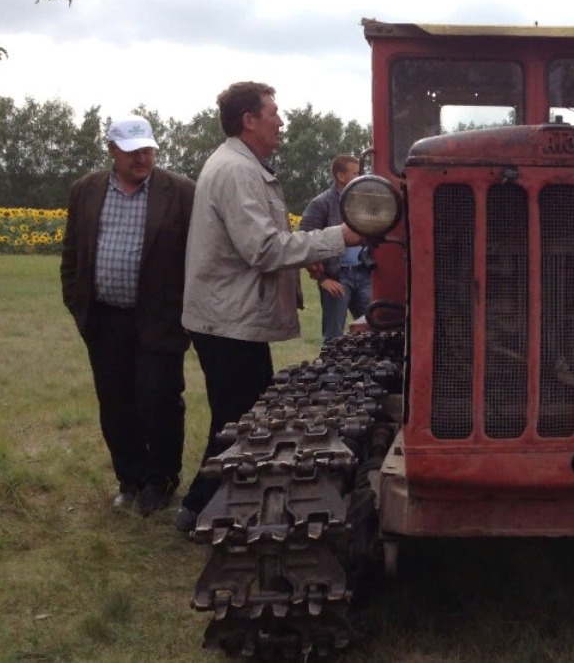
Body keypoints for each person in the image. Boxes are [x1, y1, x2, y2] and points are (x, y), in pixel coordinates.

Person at [176, 81, 363, 532]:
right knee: (238, 420)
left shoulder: (245, 167)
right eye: (274, 113)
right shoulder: (238, 172)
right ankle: (200, 507)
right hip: (228, 321)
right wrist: (341, 236)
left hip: (232, 317)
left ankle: (212, 504)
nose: (282, 121)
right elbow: (261, 248)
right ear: (249, 120)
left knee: (241, 415)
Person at [60, 115, 196, 516]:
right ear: (112, 151)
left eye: (148, 148)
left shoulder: (181, 192)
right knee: (115, 402)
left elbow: (196, 255)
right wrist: (77, 301)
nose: (143, 156)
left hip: (159, 318)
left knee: (159, 400)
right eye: (133, 150)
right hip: (104, 319)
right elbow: (72, 254)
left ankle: (161, 480)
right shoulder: (85, 191)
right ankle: (130, 479)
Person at [300, 154, 371, 343]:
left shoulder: (362, 203)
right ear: (341, 176)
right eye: (355, 173)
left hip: (363, 274)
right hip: (338, 278)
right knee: (333, 337)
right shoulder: (321, 204)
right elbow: (304, 243)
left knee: (373, 328)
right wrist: (322, 279)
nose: (360, 177)